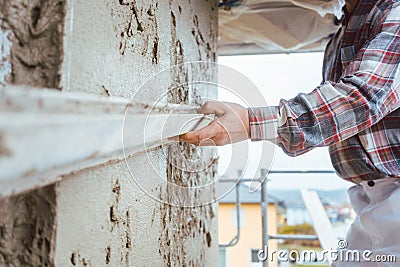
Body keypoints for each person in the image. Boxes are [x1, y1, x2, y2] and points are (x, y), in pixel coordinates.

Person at [179, 0, 400, 266]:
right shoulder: (343, 31)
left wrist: (250, 123)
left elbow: (364, 95)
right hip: (370, 199)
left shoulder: (394, 10)